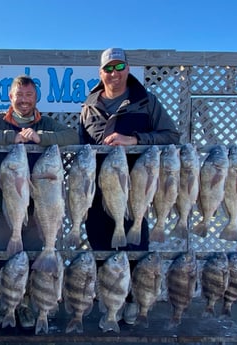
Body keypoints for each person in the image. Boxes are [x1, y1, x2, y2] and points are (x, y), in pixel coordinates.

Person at [0, 75, 79, 329]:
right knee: (5, 257)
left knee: (30, 257)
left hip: (39, 205)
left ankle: (26, 305)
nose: (24, 100)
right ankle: (6, 305)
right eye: (19, 95)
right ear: (10, 97)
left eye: (29, 95)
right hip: (4, 204)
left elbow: (72, 136)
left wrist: (42, 138)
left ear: (36, 98)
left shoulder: (46, 122)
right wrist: (10, 138)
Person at [79, 48, 180, 324]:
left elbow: (171, 136)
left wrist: (134, 140)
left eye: (119, 66)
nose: (114, 73)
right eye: (108, 68)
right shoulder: (88, 107)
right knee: (100, 248)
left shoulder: (146, 102)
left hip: (137, 188)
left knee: (136, 249)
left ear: (128, 68)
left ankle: (134, 301)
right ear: (100, 73)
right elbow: (81, 149)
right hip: (98, 191)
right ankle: (110, 302)